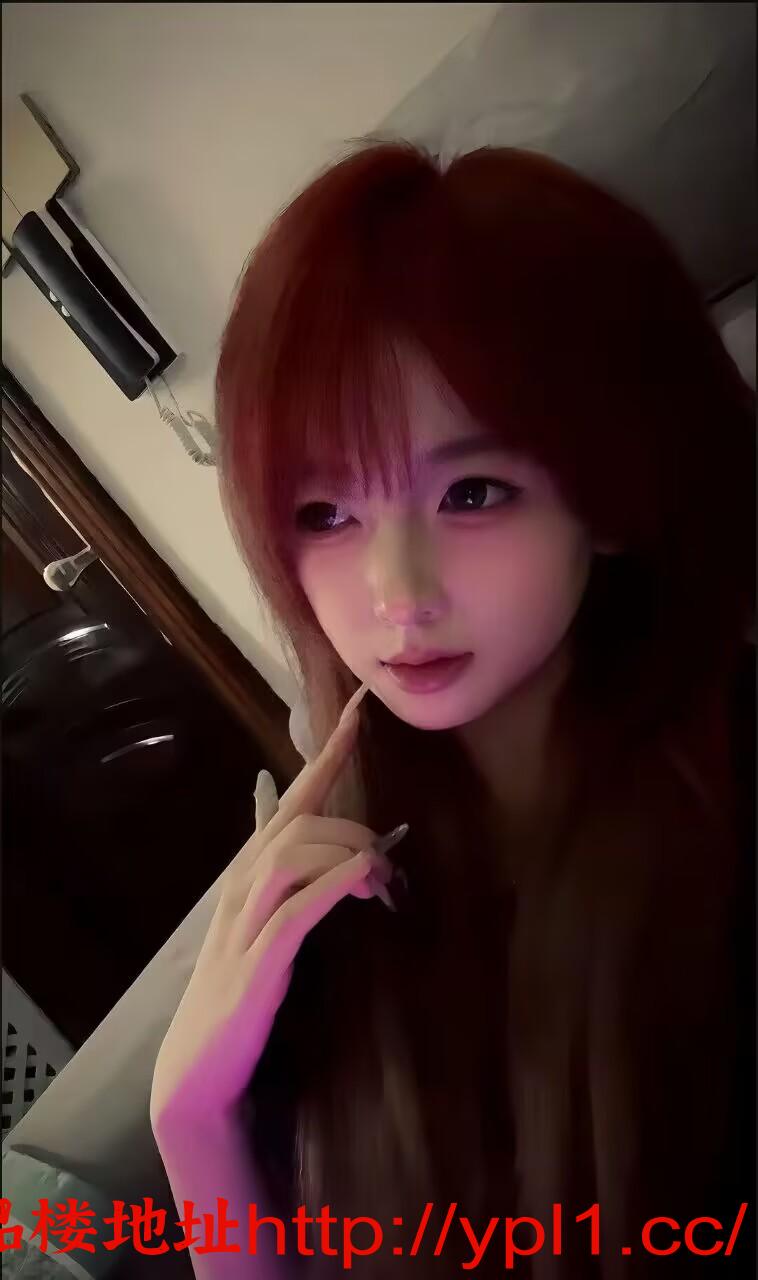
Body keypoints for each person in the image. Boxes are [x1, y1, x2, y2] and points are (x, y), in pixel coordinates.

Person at [150, 141, 755, 1280]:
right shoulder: (337, 871)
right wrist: (192, 1128)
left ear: (611, 492)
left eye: (471, 491)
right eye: (325, 512)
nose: (396, 593)